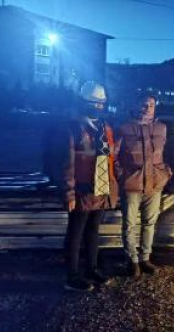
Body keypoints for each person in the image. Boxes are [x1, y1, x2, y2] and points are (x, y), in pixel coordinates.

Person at [61, 81, 117, 291]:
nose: (98, 106)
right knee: (75, 234)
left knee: (93, 231)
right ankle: (72, 276)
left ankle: (91, 268)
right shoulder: (72, 128)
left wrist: (111, 188)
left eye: (101, 103)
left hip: (100, 190)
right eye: (94, 103)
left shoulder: (105, 128)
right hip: (82, 191)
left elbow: (111, 159)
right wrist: (70, 194)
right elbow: (67, 164)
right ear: (83, 102)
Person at [116, 95, 171, 277]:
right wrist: (122, 175)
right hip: (132, 184)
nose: (147, 108)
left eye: (151, 105)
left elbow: (169, 152)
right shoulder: (124, 128)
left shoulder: (162, 128)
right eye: (144, 104)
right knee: (130, 224)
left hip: (155, 184)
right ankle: (132, 260)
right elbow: (114, 156)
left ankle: (145, 258)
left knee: (150, 223)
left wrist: (166, 173)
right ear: (136, 105)